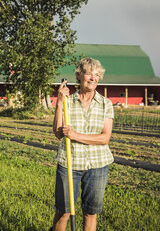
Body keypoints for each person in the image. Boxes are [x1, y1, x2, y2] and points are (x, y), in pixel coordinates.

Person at [51, 57, 114, 231]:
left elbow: (104, 138)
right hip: (70, 164)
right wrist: (59, 102)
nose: (93, 78)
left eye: (96, 75)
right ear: (79, 76)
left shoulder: (105, 104)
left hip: (97, 165)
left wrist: (75, 135)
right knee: (63, 212)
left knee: (90, 213)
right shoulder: (68, 101)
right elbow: (57, 133)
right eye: (88, 74)